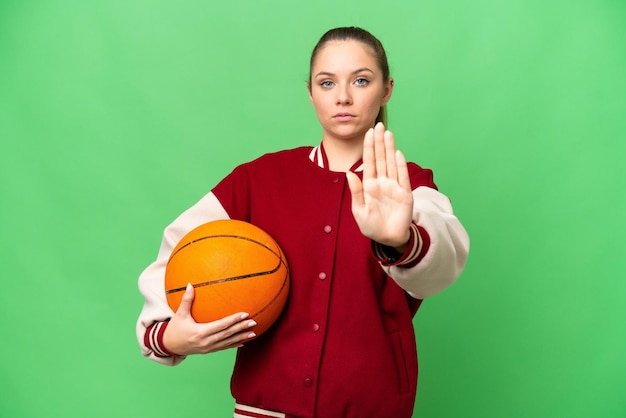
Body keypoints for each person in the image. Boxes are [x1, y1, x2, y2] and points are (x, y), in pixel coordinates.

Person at [136, 26, 469, 418]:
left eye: (361, 80)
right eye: (327, 83)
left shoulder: (407, 184)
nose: (343, 96)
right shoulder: (257, 180)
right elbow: (180, 251)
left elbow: (445, 260)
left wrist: (403, 239)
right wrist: (167, 336)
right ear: (310, 91)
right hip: (262, 411)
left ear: (386, 89)